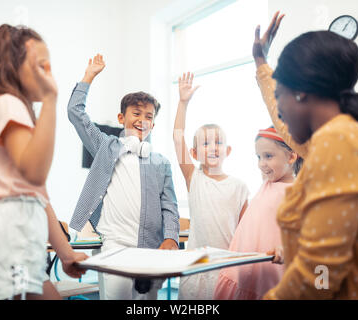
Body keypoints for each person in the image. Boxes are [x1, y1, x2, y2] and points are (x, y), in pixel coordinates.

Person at [253, 12, 358, 299]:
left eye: (280, 95)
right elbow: (283, 124)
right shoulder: (339, 135)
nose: (278, 110)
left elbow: (321, 273)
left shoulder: (339, 143)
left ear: (301, 94)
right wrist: (261, 64)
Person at [0, 24, 87, 300]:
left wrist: (65, 254)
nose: (49, 74)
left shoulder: (4, 109)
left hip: (10, 246)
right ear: (14, 66)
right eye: (42, 65)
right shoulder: (7, 104)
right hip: (6, 244)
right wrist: (51, 99)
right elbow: (35, 174)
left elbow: (38, 196)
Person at [67, 54, 180, 300]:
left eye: (149, 116)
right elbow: (75, 113)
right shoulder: (105, 146)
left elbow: (170, 206)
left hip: (151, 247)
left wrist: (171, 237)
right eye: (136, 113)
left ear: (154, 123)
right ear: (122, 118)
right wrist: (89, 76)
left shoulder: (161, 162)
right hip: (115, 245)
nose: (142, 120)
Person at [173, 72, 249, 299]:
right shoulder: (194, 178)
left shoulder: (240, 187)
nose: (213, 147)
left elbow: (246, 230)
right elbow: (178, 138)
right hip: (196, 265)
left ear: (228, 151)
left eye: (218, 142)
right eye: (206, 143)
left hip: (226, 266)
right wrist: (183, 103)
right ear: (195, 153)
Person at [214, 126, 301, 300]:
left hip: (268, 276)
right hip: (241, 270)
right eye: (259, 157)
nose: (261, 164)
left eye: (268, 156)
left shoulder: (297, 193)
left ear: (291, 156)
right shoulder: (268, 183)